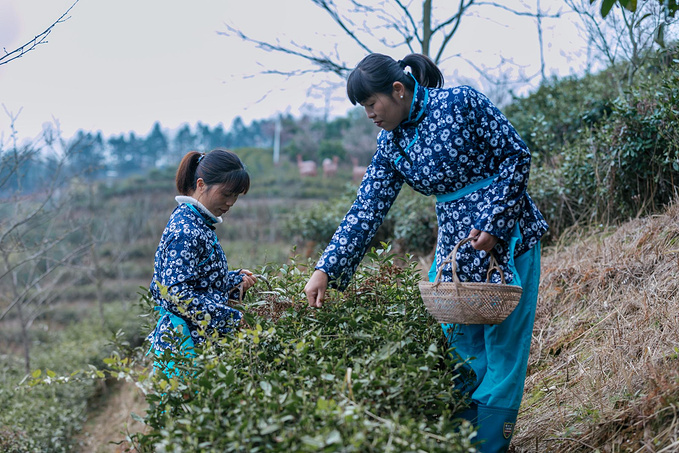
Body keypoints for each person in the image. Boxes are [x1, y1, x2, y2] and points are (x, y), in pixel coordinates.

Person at [303, 53, 548, 453]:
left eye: (371, 104)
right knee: (460, 354)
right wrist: (326, 268)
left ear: (398, 90)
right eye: (363, 108)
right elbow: (367, 209)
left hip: (506, 240)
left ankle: (488, 447)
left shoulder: (461, 103)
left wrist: (494, 220)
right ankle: (458, 443)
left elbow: (516, 156)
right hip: (454, 253)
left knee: (503, 352)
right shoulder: (392, 144)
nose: (369, 114)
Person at [147, 148, 257, 376]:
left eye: (235, 196)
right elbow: (176, 295)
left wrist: (233, 280)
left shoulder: (197, 222)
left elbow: (198, 282)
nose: (231, 202)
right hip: (186, 346)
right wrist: (233, 319)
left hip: (200, 343)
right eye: (226, 194)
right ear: (201, 184)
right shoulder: (186, 230)